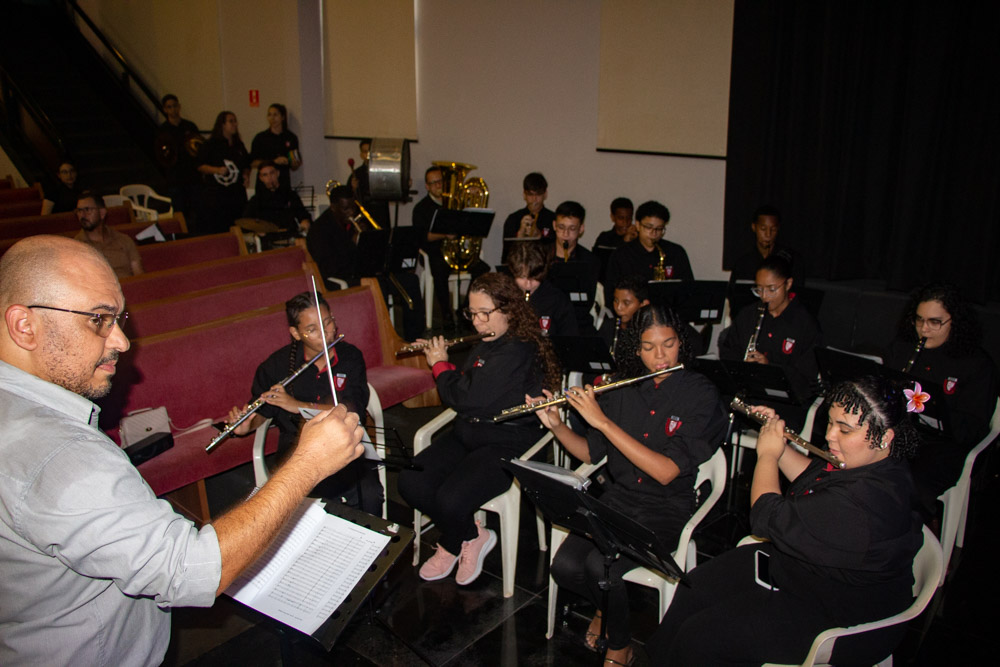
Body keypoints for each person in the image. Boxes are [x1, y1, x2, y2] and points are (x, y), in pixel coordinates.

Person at [0, 236, 364, 665]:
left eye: (119, 319)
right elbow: (192, 569)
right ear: (24, 325)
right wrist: (307, 463)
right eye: (98, 319)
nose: (121, 341)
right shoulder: (57, 454)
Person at [647, 376, 924, 666]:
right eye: (830, 423)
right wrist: (776, 440)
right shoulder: (872, 462)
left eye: (844, 429)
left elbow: (766, 516)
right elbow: (813, 478)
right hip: (808, 575)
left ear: (885, 437)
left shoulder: (866, 504)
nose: (830, 436)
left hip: (839, 614)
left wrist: (767, 454)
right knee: (695, 588)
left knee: (701, 637)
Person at [535, 305, 725, 667]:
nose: (660, 356)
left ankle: (622, 646)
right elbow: (591, 453)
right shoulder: (623, 387)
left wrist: (603, 422)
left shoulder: (701, 394)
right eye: (649, 347)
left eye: (668, 345)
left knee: (598, 565)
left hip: (665, 507)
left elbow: (667, 471)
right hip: (618, 498)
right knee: (566, 566)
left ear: (680, 343)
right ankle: (607, 608)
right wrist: (556, 425)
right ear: (635, 349)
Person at [398, 273, 562, 585]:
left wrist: (438, 364)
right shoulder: (488, 340)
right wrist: (447, 365)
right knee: (410, 482)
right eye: (472, 313)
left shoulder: (518, 349)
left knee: (450, 499)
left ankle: (453, 540)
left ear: (510, 310)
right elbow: (470, 388)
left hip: (507, 441)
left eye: (485, 314)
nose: (477, 322)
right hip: (469, 432)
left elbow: (466, 397)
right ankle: (469, 534)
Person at [225, 292, 383, 515]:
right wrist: (246, 426)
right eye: (313, 329)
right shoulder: (276, 366)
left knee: (369, 494)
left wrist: (297, 405)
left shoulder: (350, 357)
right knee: (308, 507)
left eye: (328, 322)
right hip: (297, 447)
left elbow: (352, 407)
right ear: (296, 333)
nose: (327, 333)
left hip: (345, 438)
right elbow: (262, 411)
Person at [883, 283, 999, 521]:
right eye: (919, 320)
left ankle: (902, 535)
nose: (924, 329)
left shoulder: (977, 364)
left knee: (909, 485)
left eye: (935, 322)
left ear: (954, 321)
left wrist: (934, 410)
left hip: (943, 446)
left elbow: (973, 427)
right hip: (901, 432)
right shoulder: (903, 348)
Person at [308, 185, 424, 340]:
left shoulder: (360, 221)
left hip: (367, 272)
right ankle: (383, 337)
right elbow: (329, 267)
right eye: (345, 209)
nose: (350, 212)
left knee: (410, 281)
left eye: (352, 207)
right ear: (333, 207)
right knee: (377, 286)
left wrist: (368, 240)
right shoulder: (319, 230)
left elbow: (377, 253)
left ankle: (414, 338)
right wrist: (354, 244)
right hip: (339, 277)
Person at [719, 255, 821, 427]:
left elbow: (805, 377)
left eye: (771, 289)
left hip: (784, 403)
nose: (764, 297)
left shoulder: (805, 324)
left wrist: (770, 367)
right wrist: (743, 365)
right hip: (749, 394)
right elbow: (729, 350)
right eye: (759, 289)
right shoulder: (748, 315)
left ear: (788, 284)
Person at [604, 200, 693, 293]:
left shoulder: (676, 252)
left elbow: (689, 290)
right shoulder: (621, 255)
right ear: (638, 225)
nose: (654, 233)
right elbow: (610, 293)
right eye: (648, 227)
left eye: (659, 229)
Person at [547, 200, 602, 334]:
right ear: (554, 225)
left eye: (572, 229)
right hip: (547, 317)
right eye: (561, 227)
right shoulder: (541, 256)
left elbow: (587, 303)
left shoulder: (589, 260)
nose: (565, 234)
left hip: (577, 320)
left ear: (581, 229)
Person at [507, 240, 579, 338]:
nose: (528, 285)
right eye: (522, 277)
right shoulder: (505, 295)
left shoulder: (557, 300)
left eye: (534, 278)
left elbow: (569, 338)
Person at [196, 111, 250, 235]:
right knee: (220, 227)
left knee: (239, 224)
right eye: (231, 121)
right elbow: (200, 166)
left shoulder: (238, 145)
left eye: (235, 121)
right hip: (218, 195)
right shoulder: (211, 144)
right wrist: (216, 170)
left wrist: (246, 175)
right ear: (222, 124)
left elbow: (247, 164)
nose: (235, 124)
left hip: (237, 194)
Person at [729, 204, 803, 289]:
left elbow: (797, 293)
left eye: (773, 229)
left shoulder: (791, 259)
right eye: (763, 229)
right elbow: (733, 293)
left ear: (778, 228)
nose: (768, 234)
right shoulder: (742, 262)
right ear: (754, 227)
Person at [73, 191, 143, 278]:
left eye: (87, 210)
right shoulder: (75, 247)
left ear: (102, 213)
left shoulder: (124, 240)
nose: (82, 215)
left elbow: (139, 275)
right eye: (79, 211)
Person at [155, 94, 201, 221]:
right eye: (169, 107)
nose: (173, 110)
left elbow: (199, 148)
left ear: (179, 107)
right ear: (165, 109)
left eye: (175, 106)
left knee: (197, 208)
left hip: (192, 175)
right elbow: (160, 155)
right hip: (175, 177)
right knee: (179, 211)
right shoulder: (163, 130)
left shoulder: (189, 126)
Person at [242, 160, 312, 237]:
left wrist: (305, 222)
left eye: (272, 173)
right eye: (265, 175)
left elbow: (304, 215)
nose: (269, 178)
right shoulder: (256, 200)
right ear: (261, 178)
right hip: (268, 239)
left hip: (289, 236)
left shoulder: (290, 195)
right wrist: (256, 230)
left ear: (277, 173)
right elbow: (245, 223)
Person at [501, 172, 555, 263]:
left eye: (538, 194)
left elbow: (555, 252)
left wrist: (539, 236)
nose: (534, 199)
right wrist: (520, 234)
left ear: (545, 194)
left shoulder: (553, 218)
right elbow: (506, 257)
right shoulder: (513, 219)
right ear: (524, 195)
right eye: (530, 194)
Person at [597, 274, 650, 364]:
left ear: (643, 304)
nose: (619, 308)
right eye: (616, 301)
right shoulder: (609, 327)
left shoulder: (649, 332)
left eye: (626, 303)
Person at [250, 103, 301, 192]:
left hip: (283, 182)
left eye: (275, 115)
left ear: (282, 117)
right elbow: (252, 162)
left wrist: (294, 163)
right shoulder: (260, 138)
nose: (272, 118)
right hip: (264, 184)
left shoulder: (290, 137)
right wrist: (273, 161)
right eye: (269, 115)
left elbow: (294, 163)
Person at [592, 197, 637, 287]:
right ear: (613, 217)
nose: (625, 222)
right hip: (608, 283)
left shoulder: (637, 238)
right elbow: (599, 265)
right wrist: (624, 241)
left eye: (629, 218)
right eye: (621, 218)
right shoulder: (604, 238)